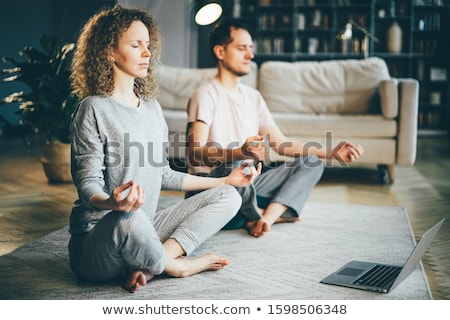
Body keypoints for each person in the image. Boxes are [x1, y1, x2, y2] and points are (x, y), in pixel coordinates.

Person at [68, 6, 259, 293]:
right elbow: (87, 185)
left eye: (148, 45)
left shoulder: (152, 109)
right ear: (109, 51)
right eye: (135, 45)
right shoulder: (93, 109)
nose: (147, 53)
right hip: (101, 240)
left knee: (229, 196)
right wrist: (113, 203)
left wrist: (225, 180)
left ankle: (151, 262)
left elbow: (164, 174)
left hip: (145, 226)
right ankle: (178, 265)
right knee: (127, 220)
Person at [187, 19, 364, 238]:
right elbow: (195, 153)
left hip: (247, 184)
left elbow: (281, 144)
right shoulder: (205, 94)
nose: (250, 55)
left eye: (251, 48)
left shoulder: (254, 98)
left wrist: (331, 153)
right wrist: (240, 152)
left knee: (312, 161)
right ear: (220, 52)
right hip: (212, 187)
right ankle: (261, 214)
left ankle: (264, 219)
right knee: (236, 163)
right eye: (241, 48)